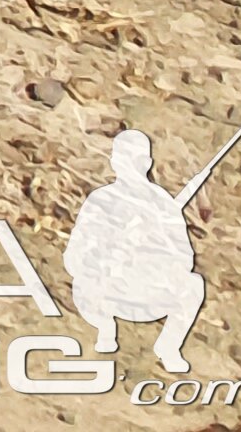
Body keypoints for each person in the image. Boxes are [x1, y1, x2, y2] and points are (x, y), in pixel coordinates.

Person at [67, 127, 214, 374]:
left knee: (193, 285)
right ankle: (104, 328)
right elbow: (74, 255)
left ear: (146, 162)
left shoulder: (162, 204)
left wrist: (152, 249)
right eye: (124, 159)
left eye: (135, 160)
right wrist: (108, 253)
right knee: (85, 282)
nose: (129, 166)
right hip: (106, 289)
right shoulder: (100, 201)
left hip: (147, 289)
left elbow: (184, 259)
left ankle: (169, 347)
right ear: (114, 161)